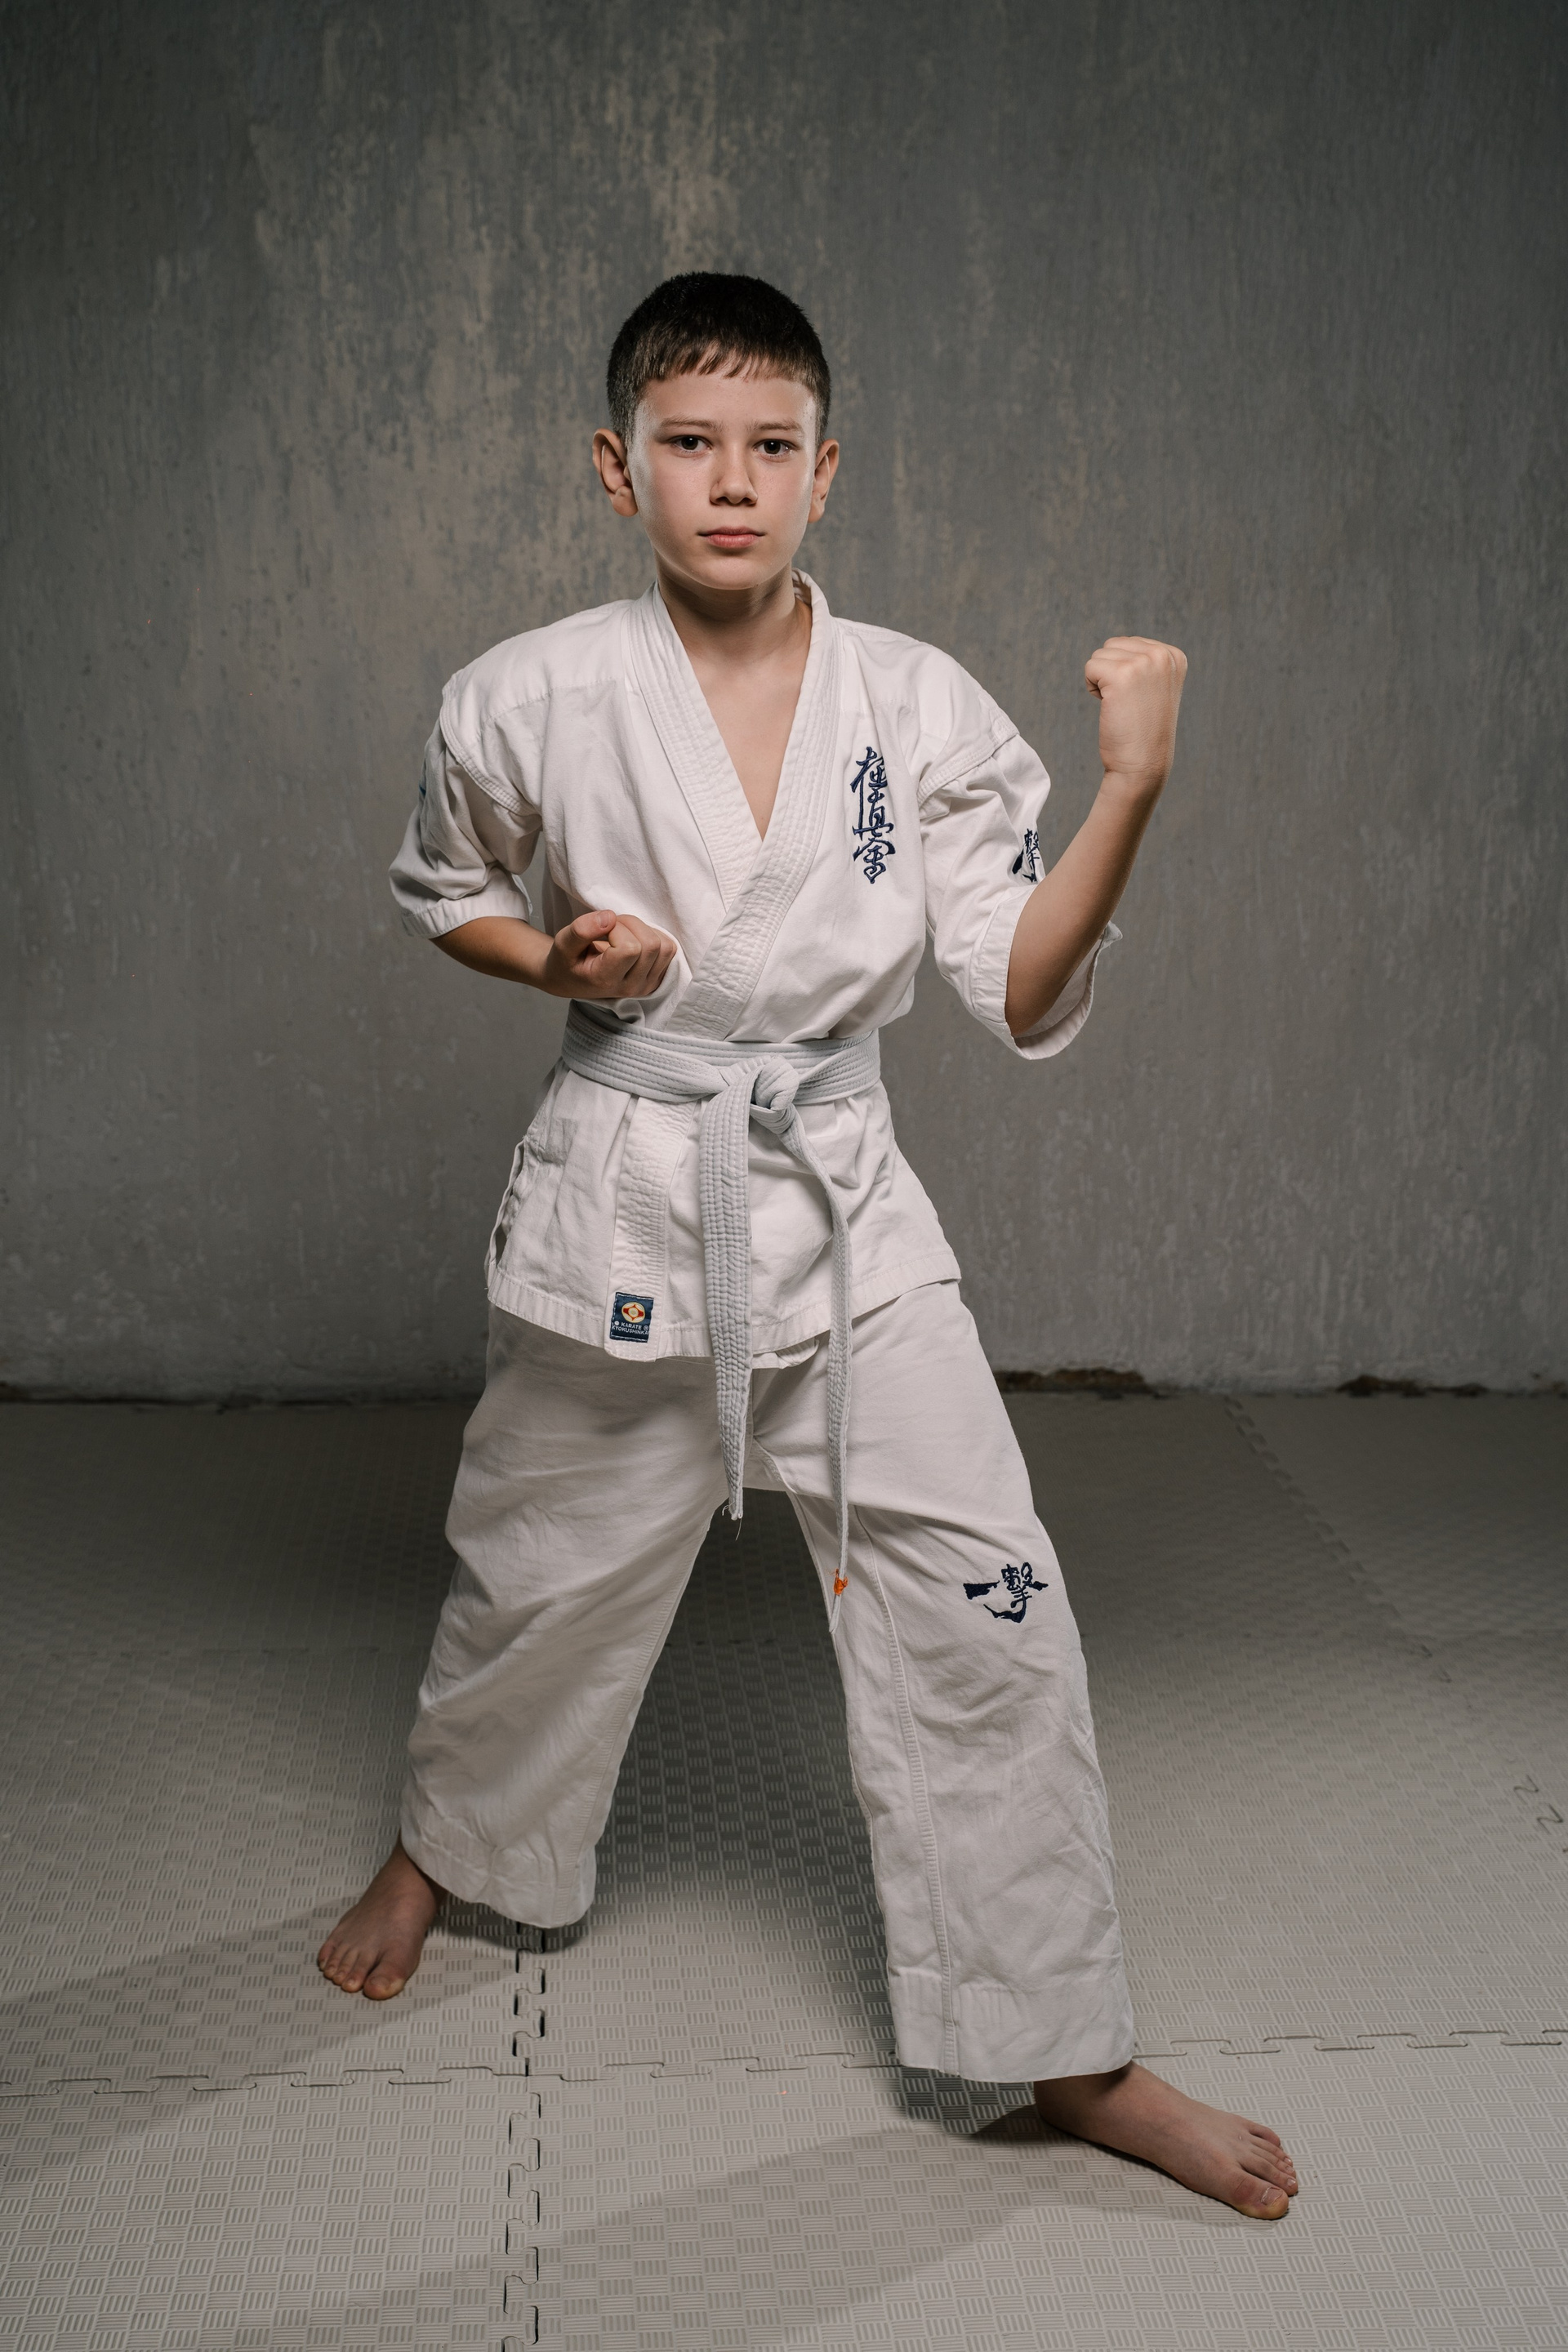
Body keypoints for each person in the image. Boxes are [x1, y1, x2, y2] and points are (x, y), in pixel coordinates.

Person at [318, 273, 1297, 2221]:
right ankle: (451, 1848)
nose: (732, 481)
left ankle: (1067, 2046)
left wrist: (1133, 789)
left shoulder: (917, 704)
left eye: (772, 447)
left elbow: (1019, 987)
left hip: (843, 1211)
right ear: (618, 470)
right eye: (689, 444)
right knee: (542, 1568)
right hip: (626, 1179)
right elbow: (446, 885)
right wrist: (560, 962)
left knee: (989, 1599)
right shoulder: (523, 692)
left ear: (827, 472)